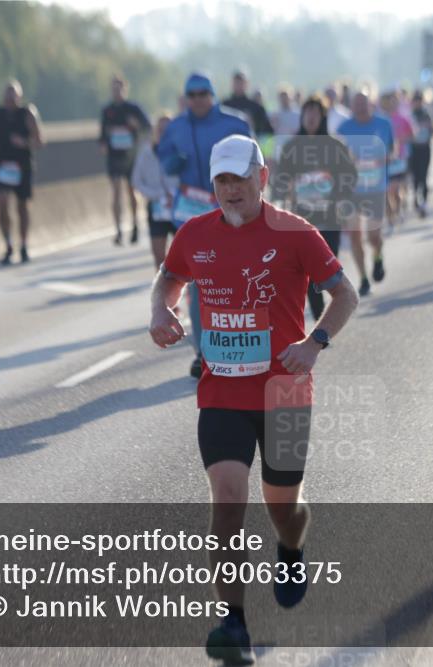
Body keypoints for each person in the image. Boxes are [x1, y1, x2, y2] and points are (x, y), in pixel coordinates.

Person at [149, 134, 359, 666]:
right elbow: (169, 278)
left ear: (261, 178)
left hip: (285, 390)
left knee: (283, 508)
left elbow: (345, 294)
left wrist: (314, 344)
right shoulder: (195, 234)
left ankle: (291, 549)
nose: (230, 190)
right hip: (221, 393)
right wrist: (161, 310)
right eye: (221, 180)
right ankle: (234, 623)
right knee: (227, 498)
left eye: (240, 179)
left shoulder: (296, 233)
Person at [157, 72, 252, 378]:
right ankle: (202, 353)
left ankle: (245, 341)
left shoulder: (234, 123)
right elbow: (165, 159)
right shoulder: (176, 126)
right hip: (195, 215)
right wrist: (174, 161)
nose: (197, 99)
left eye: (203, 93)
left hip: (233, 210)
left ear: (212, 94)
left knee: (241, 278)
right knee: (199, 284)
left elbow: (255, 161)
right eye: (192, 94)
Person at [273, 96, 358, 320]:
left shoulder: (334, 145)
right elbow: (281, 178)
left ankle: (330, 307)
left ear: (322, 117)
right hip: (302, 217)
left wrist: (339, 194)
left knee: (327, 269)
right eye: (307, 112)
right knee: (308, 270)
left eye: (316, 113)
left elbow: (350, 175)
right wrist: (283, 199)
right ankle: (320, 316)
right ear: (302, 116)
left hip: (330, 215)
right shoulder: (292, 146)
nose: (311, 117)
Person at [337, 90, 394, 296]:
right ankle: (363, 278)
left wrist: (378, 160)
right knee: (354, 236)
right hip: (351, 191)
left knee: (373, 236)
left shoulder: (384, 124)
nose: (360, 107)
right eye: (356, 103)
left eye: (363, 102)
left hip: (375, 189)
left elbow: (392, 151)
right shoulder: (343, 128)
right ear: (351, 106)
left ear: (371, 104)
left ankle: (377, 257)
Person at [0, 79, 43, 264]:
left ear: (20, 96)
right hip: (3, 165)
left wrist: (24, 142)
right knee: (2, 204)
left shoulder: (28, 113)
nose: (10, 98)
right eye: (7, 94)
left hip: (23, 166)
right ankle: (8, 245)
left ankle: (24, 244)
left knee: (22, 207)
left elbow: (39, 141)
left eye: (14, 94)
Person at [99, 75, 151, 246]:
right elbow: (102, 134)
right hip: (114, 156)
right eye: (114, 89)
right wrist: (104, 143)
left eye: (120, 88)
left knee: (131, 191)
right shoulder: (107, 110)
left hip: (131, 156)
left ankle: (135, 225)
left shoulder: (133, 108)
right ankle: (118, 230)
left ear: (125, 89)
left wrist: (135, 125)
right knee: (115, 192)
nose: (117, 92)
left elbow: (148, 126)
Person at [131, 114, 179, 270]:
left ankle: (187, 292)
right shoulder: (146, 153)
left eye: (168, 129)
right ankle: (163, 292)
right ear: (155, 131)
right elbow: (136, 181)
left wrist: (176, 193)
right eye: (160, 129)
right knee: (159, 258)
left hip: (179, 207)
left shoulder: (181, 151)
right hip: (156, 208)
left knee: (185, 256)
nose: (163, 132)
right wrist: (155, 194)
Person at [379, 91, 414, 228]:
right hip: (383, 160)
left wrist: (401, 141)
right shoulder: (380, 120)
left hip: (399, 158)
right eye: (389, 102)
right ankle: (391, 217)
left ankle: (398, 210)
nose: (391, 105)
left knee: (396, 188)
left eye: (394, 102)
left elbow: (411, 135)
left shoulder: (403, 118)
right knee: (388, 191)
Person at [408, 90, 433, 218]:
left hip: (425, 149)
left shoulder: (426, 115)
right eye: (415, 101)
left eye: (419, 101)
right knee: (415, 177)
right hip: (413, 150)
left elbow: (432, 130)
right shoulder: (410, 115)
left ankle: (424, 202)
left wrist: (429, 131)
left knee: (424, 177)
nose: (417, 103)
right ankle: (415, 198)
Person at [223, 70, 274, 137]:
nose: (239, 85)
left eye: (241, 82)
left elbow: (268, 131)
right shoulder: (224, 105)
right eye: (236, 82)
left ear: (247, 84)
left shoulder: (256, 107)